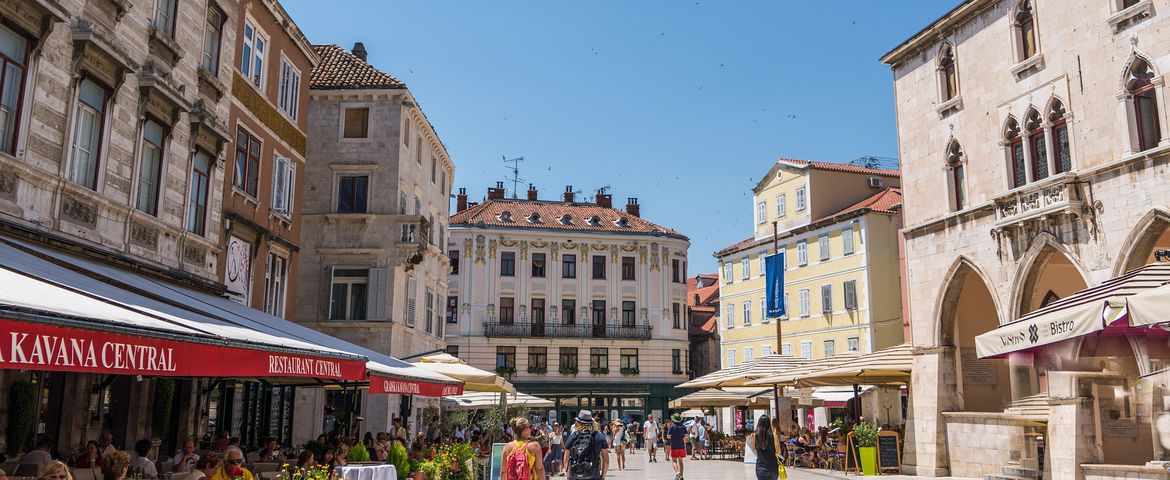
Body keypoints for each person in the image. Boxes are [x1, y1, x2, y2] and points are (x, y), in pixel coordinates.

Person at [563, 410, 608, 480]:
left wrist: (568, 476)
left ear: (578, 422)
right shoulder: (600, 437)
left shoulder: (573, 436)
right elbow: (606, 461)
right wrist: (603, 476)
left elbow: (566, 459)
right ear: (592, 422)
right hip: (594, 475)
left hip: (575, 475)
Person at [747, 416, 780, 480]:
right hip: (772, 467)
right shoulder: (774, 436)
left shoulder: (753, 436)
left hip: (760, 467)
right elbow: (778, 452)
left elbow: (754, 449)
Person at [665, 414, 688, 480]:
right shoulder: (683, 426)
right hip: (682, 446)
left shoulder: (672, 427)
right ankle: (681, 476)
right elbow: (686, 437)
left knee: (674, 461)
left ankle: (677, 473)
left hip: (674, 446)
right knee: (681, 461)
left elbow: (668, 436)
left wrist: (673, 437)